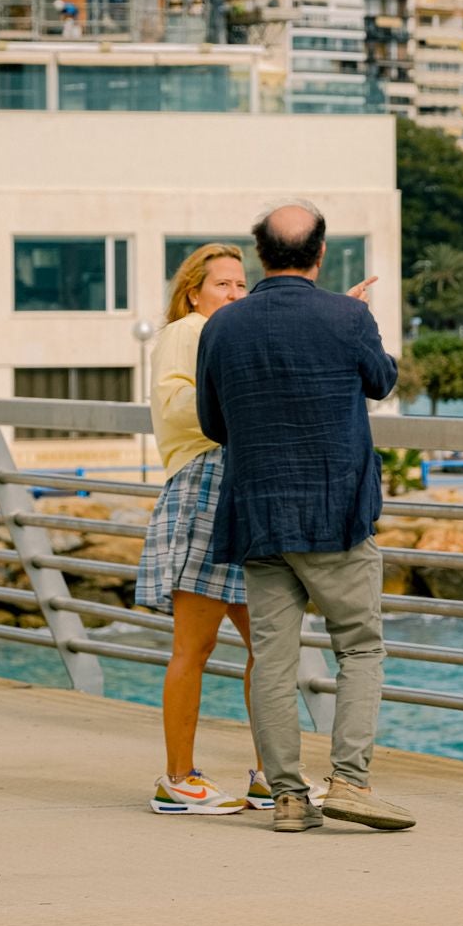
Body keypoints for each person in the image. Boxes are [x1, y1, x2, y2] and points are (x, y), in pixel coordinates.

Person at [197, 201, 410, 835]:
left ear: (261, 254)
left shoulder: (224, 326)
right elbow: (382, 381)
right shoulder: (348, 316)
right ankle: (349, 781)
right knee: (361, 648)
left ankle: (288, 798)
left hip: (257, 510)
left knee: (273, 658)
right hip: (334, 510)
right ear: (320, 253)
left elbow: (213, 423)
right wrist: (357, 317)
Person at [138, 242, 271, 814]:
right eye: (224, 285)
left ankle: (273, 774)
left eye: (243, 285)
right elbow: (178, 409)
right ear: (193, 292)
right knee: (195, 645)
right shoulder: (187, 331)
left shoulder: (225, 335)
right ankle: (177, 778)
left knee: (268, 645)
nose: (236, 294)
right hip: (204, 487)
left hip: (238, 491)